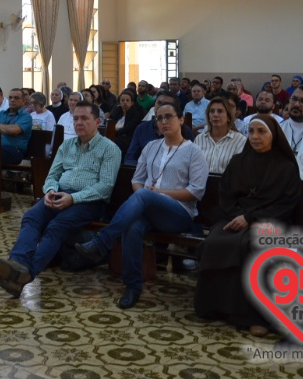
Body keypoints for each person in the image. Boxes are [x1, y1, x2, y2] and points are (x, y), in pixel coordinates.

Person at [74, 101, 209, 309]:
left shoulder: (194, 151)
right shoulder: (151, 147)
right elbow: (136, 180)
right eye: (159, 118)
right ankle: (133, 287)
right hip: (149, 210)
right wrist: (144, 198)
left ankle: (102, 242)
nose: (163, 122)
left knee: (145, 195)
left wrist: (156, 195)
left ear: (181, 120)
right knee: (133, 226)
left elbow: (195, 192)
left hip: (179, 214)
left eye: (168, 117)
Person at [0, 103, 121, 297]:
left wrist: (73, 198)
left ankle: (26, 276)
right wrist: (50, 190)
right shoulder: (67, 146)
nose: (79, 123)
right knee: (31, 216)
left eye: (85, 119)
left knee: (56, 226)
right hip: (60, 193)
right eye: (75, 119)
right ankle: (17, 263)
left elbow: (105, 186)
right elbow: (52, 176)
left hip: (89, 201)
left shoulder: (110, 149)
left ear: (98, 122)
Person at [195, 116, 301, 336]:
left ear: (273, 136)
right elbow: (224, 195)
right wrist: (238, 216)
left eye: (261, 132)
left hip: (272, 220)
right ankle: (217, 307)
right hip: (235, 217)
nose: (254, 137)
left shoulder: (286, 166)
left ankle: (257, 317)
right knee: (214, 242)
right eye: (251, 131)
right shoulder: (238, 161)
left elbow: (286, 204)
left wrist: (251, 218)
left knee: (255, 246)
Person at [125, 91, 195, 166]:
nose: (161, 107)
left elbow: (189, 161)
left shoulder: (184, 130)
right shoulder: (142, 129)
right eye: (159, 103)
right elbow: (130, 158)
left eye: (166, 104)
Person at [194, 97, 247, 175]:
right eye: (212, 111)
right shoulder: (199, 139)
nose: (215, 115)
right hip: (200, 185)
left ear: (228, 117)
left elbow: (241, 171)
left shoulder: (240, 140)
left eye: (220, 111)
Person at [0, 88, 33, 164]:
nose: (12, 100)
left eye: (16, 98)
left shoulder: (26, 116)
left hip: (15, 151)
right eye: (10, 97)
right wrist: (4, 128)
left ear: (23, 101)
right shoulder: (1, 113)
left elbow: (14, 130)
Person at [110, 89, 144, 154]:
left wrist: (114, 134)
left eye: (127, 100)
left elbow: (128, 128)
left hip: (128, 138)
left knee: (115, 143)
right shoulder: (117, 112)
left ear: (131, 103)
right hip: (114, 136)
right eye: (122, 100)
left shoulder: (135, 114)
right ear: (119, 103)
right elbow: (112, 122)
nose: (125, 102)